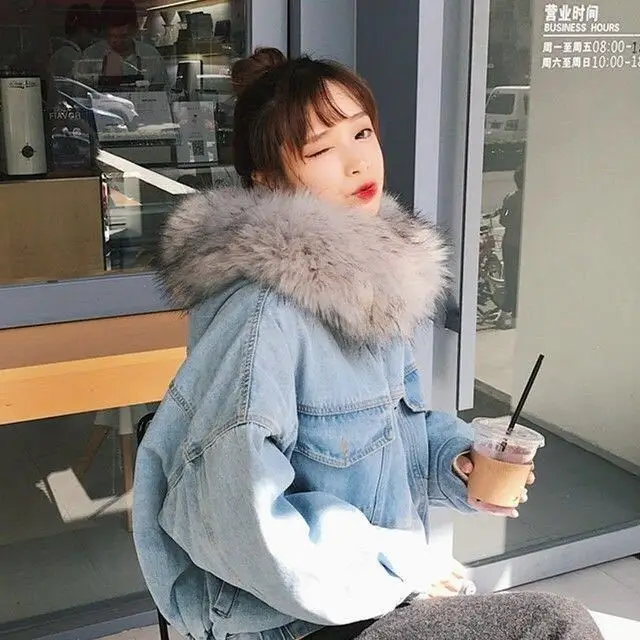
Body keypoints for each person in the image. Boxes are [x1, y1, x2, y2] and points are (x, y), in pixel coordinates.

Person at [133, 49, 603, 640]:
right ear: (268, 177)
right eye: (321, 149)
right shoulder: (265, 318)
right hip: (291, 621)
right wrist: (399, 565)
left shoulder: (362, 289)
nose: (358, 162)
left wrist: (457, 460)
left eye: (362, 133)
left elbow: (393, 435)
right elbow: (240, 518)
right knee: (556, 626)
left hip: (370, 597)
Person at [77, 0, 168, 90]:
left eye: (124, 36)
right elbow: (79, 93)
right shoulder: (90, 56)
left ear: (135, 29)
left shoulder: (151, 55)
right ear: (105, 31)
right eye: (113, 36)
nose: (118, 42)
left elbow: (163, 92)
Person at [497, 166, 525, 329]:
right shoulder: (531, 198)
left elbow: (503, 220)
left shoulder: (510, 198)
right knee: (519, 282)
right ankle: (511, 317)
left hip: (510, 244)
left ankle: (507, 316)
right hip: (522, 245)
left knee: (511, 281)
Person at [50, 4, 97, 78]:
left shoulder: (60, 52)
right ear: (81, 30)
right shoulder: (74, 58)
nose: (92, 39)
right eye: (91, 32)